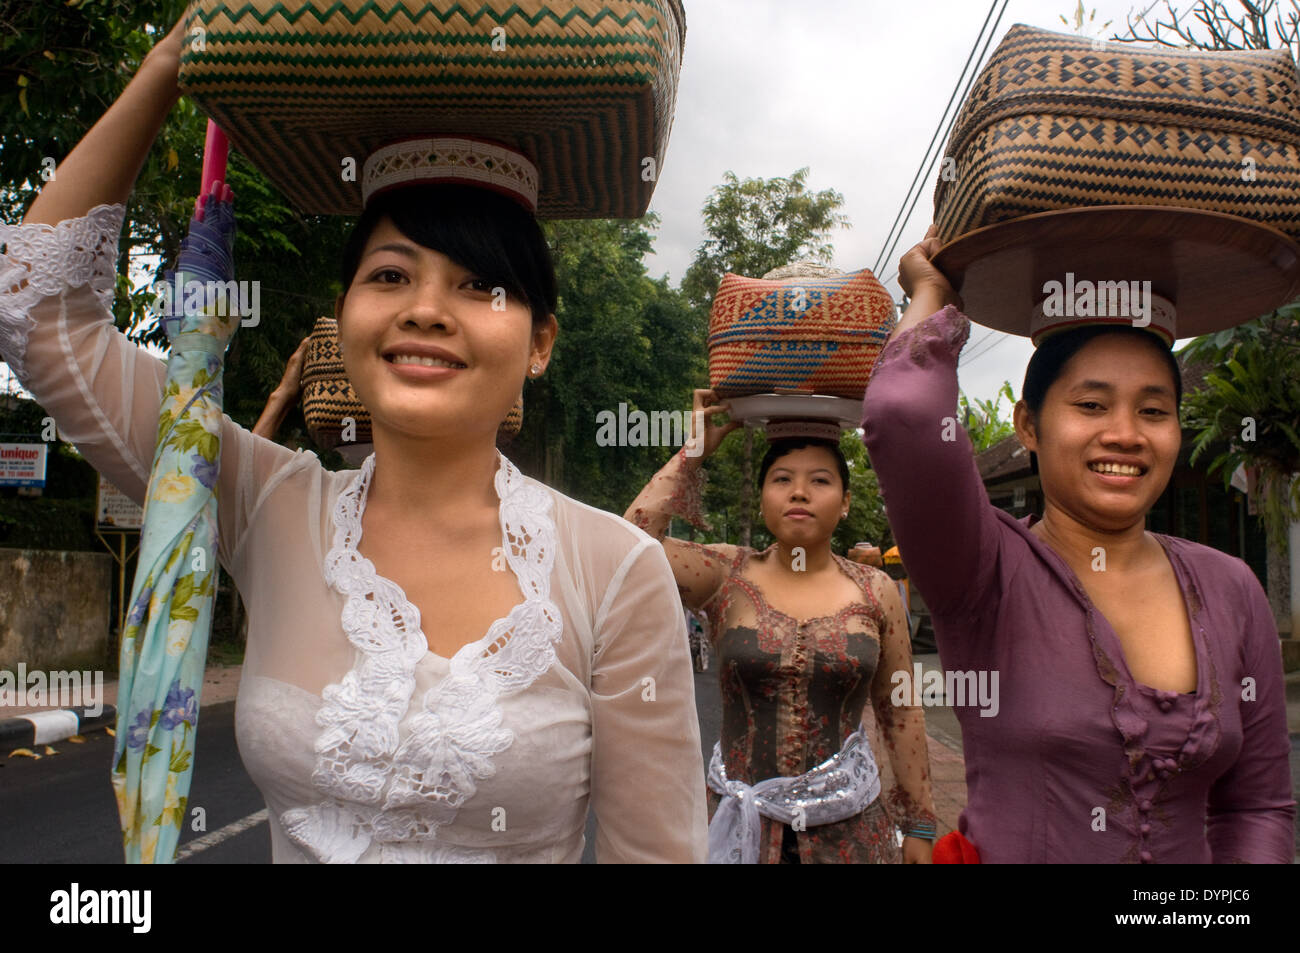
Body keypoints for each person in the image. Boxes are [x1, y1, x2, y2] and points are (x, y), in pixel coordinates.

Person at [0, 18, 707, 863]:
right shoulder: (262, 502)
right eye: (390, 274)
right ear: (344, 318)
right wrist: (167, 68)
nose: (426, 308)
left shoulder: (617, 571)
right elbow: (35, 315)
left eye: (480, 283)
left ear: (541, 341)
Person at [860, 225, 1295, 863]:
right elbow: (903, 417)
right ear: (1028, 426)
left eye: (1153, 411)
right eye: (1091, 405)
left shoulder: (1232, 586)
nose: (1125, 434)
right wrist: (933, 295)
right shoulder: (980, 570)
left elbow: (1257, 806)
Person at [626, 391, 938, 863]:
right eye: (782, 479)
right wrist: (693, 451)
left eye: (819, 480)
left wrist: (918, 822)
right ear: (763, 498)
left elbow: (899, 708)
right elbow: (631, 542)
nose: (799, 491)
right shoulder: (725, 573)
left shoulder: (876, 591)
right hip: (739, 831)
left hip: (850, 835)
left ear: (845, 500)